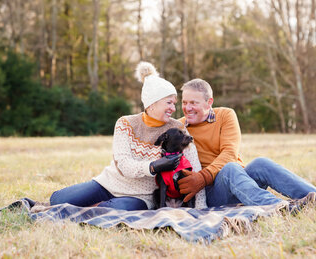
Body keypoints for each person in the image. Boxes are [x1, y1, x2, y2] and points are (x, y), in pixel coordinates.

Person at [177, 78, 316, 211]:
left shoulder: (225, 115)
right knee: (231, 169)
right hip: (210, 193)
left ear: (209, 102)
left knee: (260, 163)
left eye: (194, 102)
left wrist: (203, 175)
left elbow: (230, 153)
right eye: (185, 102)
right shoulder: (178, 127)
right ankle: (280, 208)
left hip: (231, 177)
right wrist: (201, 180)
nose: (188, 108)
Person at [49, 63, 207, 210]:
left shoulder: (177, 129)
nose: (173, 108)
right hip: (109, 184)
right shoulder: (125, 123)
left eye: (174, 103)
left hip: (141, 197)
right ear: (152, 104)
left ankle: (93, 208)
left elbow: (195, 170)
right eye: (169, 103)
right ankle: (91, 205)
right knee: (57, 200)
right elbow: (123, 164)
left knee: (110, 209)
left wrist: (201, 209)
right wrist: (152, 167)